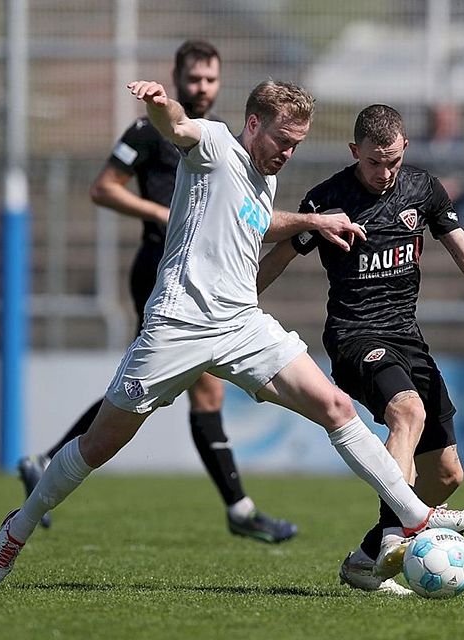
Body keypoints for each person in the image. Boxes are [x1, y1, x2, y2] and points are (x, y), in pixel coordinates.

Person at [0, 79, 464, 589]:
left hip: (241, 322)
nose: (287, 153)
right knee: (99, 444)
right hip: (179, 324)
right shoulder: (216, 145)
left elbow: (257, 223)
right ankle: (17, 528)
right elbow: (179, 126)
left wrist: (309, 221)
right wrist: (160, 104)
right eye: (282, 140)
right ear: (253, 124)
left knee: (335, 407)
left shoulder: (264, 177)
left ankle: (414, 517)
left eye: (297, 145)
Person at [257, 104, 464, 595]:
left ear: (406, 149)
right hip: (355, 336)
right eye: (374, 162)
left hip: (407, 338)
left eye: (393, 161)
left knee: (446, 475)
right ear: (354, 151)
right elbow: (281, 256)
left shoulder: (423, 190)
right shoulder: (328, 200)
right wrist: (237, 302)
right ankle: (399, 536)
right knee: (407, 411)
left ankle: (365, 559)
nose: (385, 172)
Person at [15, 40, 297, 544]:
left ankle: (236, 507)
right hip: (162, 267)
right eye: (194, 79)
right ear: (178, 76)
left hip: (206, 273)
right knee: (172, 387)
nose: (202, 87)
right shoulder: (153, 131)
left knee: (169, 387)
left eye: (211, 79)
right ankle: (238, 508)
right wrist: (162, 214)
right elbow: (103, 188)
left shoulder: (226, 138)